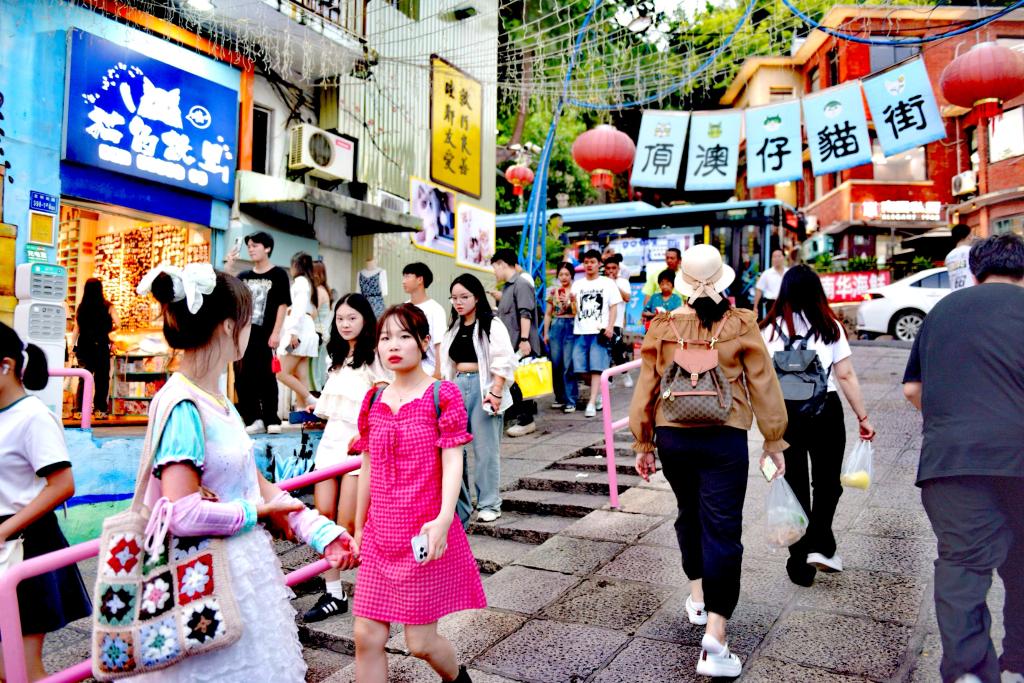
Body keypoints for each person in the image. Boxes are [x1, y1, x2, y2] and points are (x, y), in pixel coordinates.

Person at [133, 262, 356, 682]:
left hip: (235, 578)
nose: (251, 332)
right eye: (248, 322)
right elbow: (182, 512)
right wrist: (257, 513)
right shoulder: (183, 405)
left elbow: (258, 485)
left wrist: (321, 532)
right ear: (227, 327)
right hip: (202, 585)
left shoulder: (218, 401)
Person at [629, 244, 788, 678]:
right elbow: (763, 384)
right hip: (725, 436)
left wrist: (644, 444)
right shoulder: (741, 323)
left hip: (673, 436)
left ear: (682, 283)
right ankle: (716, 636)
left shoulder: (662, 326)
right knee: (723, 528)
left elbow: (646, 387)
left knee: (689, 513)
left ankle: (698, 597)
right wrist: (774, 440)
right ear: (722, 281)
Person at [902, 234, 1024, 683]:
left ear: (974, 272)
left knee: (963, 567)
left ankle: (969, 671)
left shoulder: (943, 311)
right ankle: (1020, 663)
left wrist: (952, 419)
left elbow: (913, 389)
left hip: (951, 460)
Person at [351, 304, 484, 683]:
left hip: (423, 533)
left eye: (404, 336)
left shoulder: (442, 394)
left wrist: (444, 519)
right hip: (380, 535)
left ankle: (458, 680)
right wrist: (358, 527)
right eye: (385, 338)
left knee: (420, 643)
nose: (393, 345)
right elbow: (368, 466)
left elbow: (453, 461)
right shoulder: (373, 400)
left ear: (425, 342)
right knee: (366, 636)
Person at [760, 265, 876, 586]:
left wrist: (767, 430)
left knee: (795, 486)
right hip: (826, 411)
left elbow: (761, 382)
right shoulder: (830, 326)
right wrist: (863, 418)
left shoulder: (767, 330)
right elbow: (846, 375)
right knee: (827, 484)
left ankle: (800, 563)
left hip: (784, 415)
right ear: (816, 292)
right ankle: (821, 543)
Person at [0, 323, 92, 681]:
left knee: (22, 670)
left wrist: (5, 529)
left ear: (5, 366)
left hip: (26, 545)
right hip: (9, 542)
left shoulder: (33, 416)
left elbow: (62, 485)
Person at [303, 293, 388, 624]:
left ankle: (371, 589)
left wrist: (367, 434)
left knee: (349, 522)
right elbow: (336, 404)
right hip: (330, 443)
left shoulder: (375, 356)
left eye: (352, 317)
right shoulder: (335, 356)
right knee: (322, 518)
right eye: (340, 318)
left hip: (358, 447)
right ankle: (334, 592)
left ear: (365, 319)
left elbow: (384, 401)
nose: (345, 324)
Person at [440, 274, 515, 525]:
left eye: (464, 297)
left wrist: (496, 391)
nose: (458, 302)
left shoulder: (491, 324)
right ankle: (459, 506)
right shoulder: (453, 327)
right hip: (456, 387)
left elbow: (504, 359)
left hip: (484, 388)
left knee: (485, 450)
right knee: (453, 451)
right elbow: (446, 365)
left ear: (477, 297)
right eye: (454, 298)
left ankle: (489, 504)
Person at [227, 232, 291, 435]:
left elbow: (282, 304)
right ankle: (253, 419)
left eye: (255, 245)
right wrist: (229, 265)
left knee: (267, 377)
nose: (251, 249)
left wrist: (276, 332)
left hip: (266, 335)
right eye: (249, 246)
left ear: (267, 248)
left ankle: (271, 418)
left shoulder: (278, 274)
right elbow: (227, 291)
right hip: (243, 336)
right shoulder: (243, 276)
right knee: (243, 377)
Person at [491, 249, 541, 437]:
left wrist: (525, 340)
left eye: (495, 267)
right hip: (511, 344)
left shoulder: (521, 284)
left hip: (520, 344)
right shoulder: (508, 287)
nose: (495, 272)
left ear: (502, 264)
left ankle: (527, 421)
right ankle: (518, 418)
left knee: (523, 383)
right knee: (514, 383)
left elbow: (525, 313)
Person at [571, 249, 621, 419]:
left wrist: (610, 327)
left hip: (599, 331)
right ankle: (599, 390)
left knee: (596, 368)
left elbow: (613, 306)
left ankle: (592, 402)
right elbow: (574, 311)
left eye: (592, 262)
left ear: (599, 264)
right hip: (580, 331)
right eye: (586, 262)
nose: (589, 265)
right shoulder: (577, 284)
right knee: (579, 368)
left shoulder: (607, 283)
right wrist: (570, 302)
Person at [276, 252, 321, 418]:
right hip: (306, 331)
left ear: (295, 265)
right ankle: (303, 411)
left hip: (298, 333)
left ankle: (312, 400)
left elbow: (299, 308)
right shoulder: (310, 284)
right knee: (300, 376)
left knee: (281, 373)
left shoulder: (301, 282)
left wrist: (293, 332)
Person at [73, 278, 117, 419]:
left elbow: (76, 328)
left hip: (84, 345)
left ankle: (80, 411)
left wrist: (72, 346)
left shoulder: (81, 307)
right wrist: (107, 331)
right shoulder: (108, 306)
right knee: (102, 378)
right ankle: (100, 410)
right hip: (101, 345)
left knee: (84, 378)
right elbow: (118, 323)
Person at [543, 262, 578, 413]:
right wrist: (546, 333)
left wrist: (570, 302)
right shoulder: (553, 292)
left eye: (567, 274)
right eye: (561, 274)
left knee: (568, 364)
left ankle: (571, 400)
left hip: (571, 325)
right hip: (556, 325)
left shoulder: (576, 291)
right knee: (556, 364)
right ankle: (559, 397)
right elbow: (548, 314)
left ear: (572, 276)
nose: (564, 277)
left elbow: (577, 312)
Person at [402, 262, 446, 379]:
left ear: (420, 279)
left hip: (428, 370)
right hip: (406, 368)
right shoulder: (403, 308)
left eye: (407, 276)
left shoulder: (435, 309)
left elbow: (439, 343)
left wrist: (438, 372)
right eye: (403, 277)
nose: (403, 281)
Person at [603, 255, 633, 387]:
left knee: (617, 351)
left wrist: (613, 284)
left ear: (618, 269)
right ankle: (608, 379)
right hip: (603, 322)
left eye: (613, 268)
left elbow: (627, 298)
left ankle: (625, 374)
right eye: (608, 268)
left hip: (617, 322)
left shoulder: (623, 282)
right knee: (605, 352)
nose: (611, 271)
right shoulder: (601, 282)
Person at [311, 259, 334, 392]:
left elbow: (313, 313)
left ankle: (315, 393)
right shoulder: (325, 290)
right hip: (323, 334)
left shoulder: (319, 291)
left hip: (317, 334)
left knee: (314, 368)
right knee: (319, 366)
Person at [753, 249, 787, 320]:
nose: (776, 259)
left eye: (779, 256)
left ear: (783, 257)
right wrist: (755, 307)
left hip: (786, 304)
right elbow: (759, 289)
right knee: (772, 324)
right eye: (774, 257)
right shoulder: (767, 273)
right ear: (771, 259)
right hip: (771, 304)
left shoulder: (789, 272)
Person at [945, 223, 976, 291]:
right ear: (969, 236)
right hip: (971, 290)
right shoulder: (971, 251)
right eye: (972, 234)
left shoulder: (948, 256)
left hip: (955, 292)